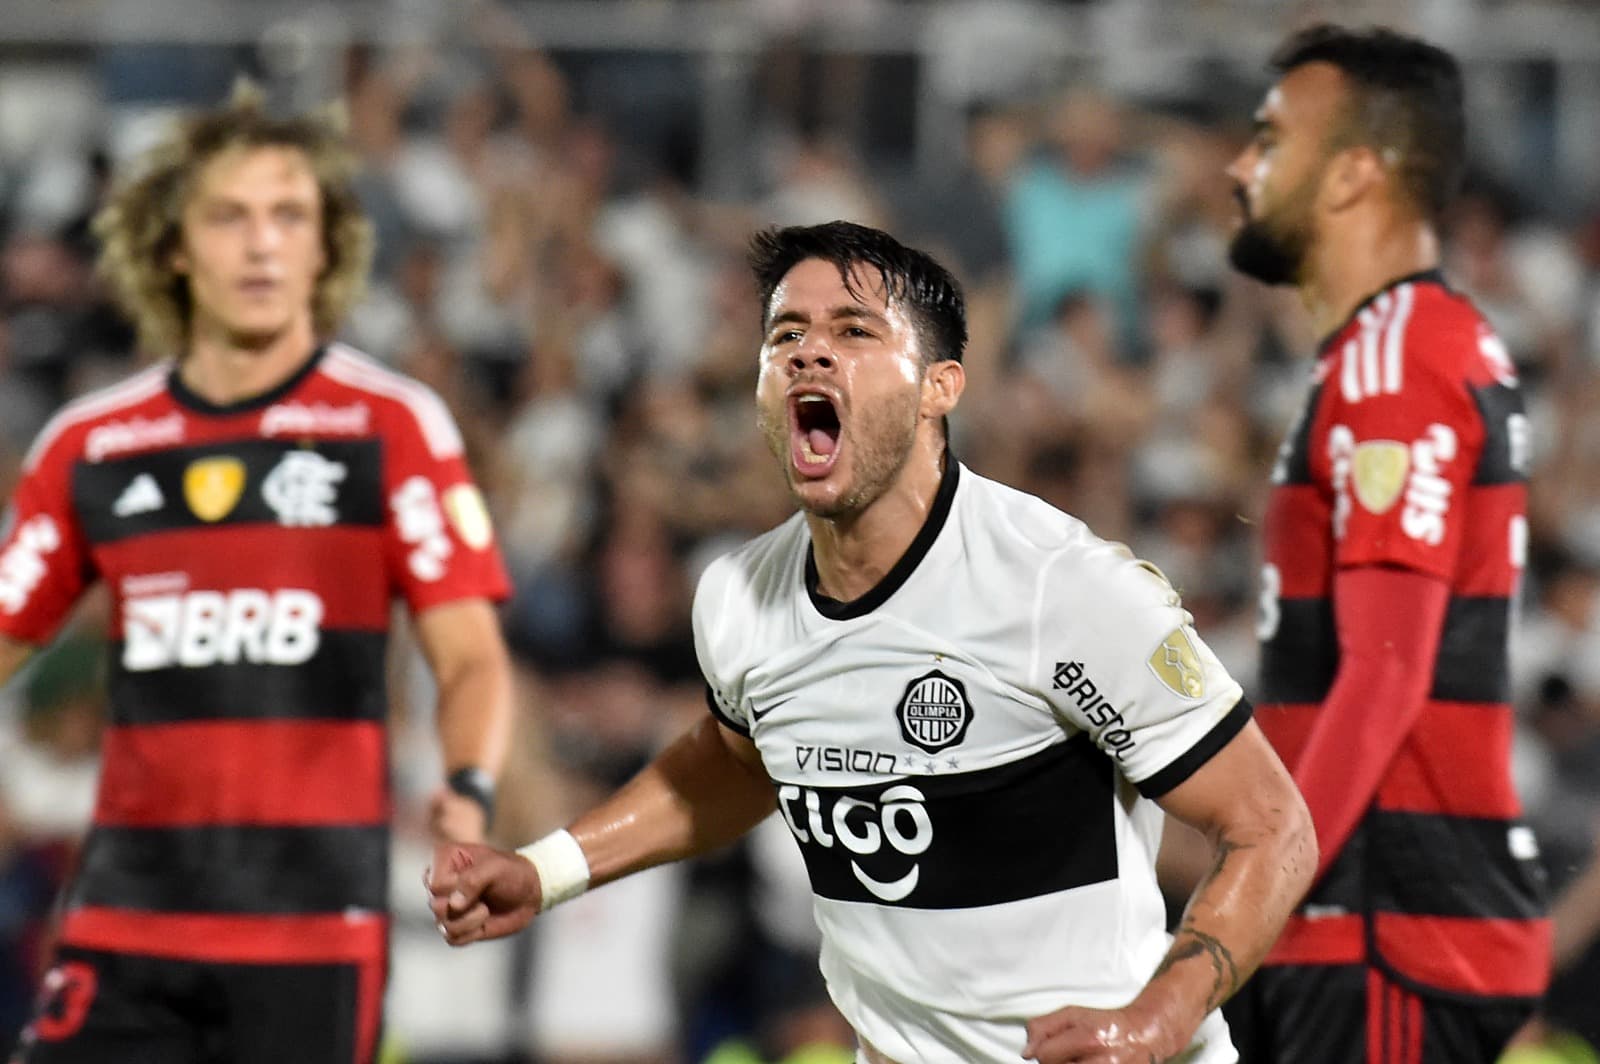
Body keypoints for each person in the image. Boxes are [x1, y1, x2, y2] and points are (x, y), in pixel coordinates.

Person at [429, 220, 1316, 1063]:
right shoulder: (738, 599)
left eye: (854, 331)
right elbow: (739, 765)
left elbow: (1272, 828)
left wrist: (1159, 1019)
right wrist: (545, 871)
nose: (809, 351)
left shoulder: (1060, 587)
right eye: (785, 336)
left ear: (941, 385)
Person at [0, 86, 514, 1064]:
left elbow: (471, 656)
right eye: (229, 216)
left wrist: (469, 785)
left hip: (311, 925)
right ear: (174, 247)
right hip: (125, 919)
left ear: (326, 247)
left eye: (290, 216)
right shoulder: (92, 446)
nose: (262, 243)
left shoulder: (390, 427)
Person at [1221, 24, 1552, 1062]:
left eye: (1269, 139)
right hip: (1357, 919)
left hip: (1381, 929)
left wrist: (1239, 909)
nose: (1239, 166)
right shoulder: (1385, 350)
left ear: (1354, 171)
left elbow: (1386, 671)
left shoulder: (1396, 362)